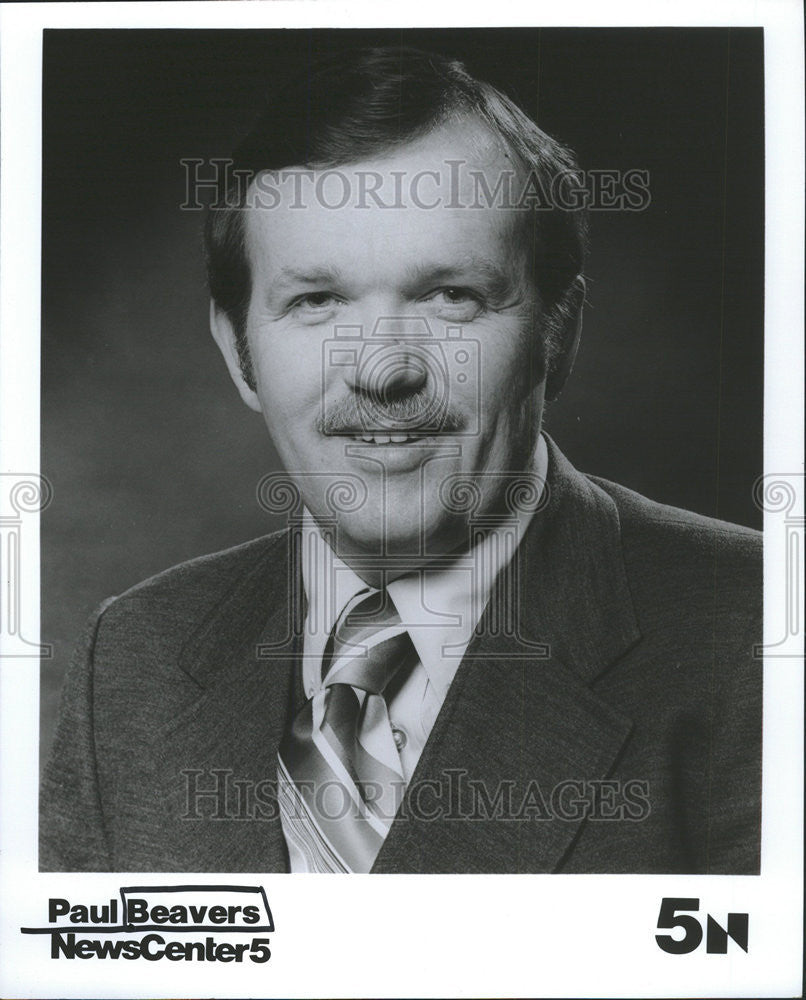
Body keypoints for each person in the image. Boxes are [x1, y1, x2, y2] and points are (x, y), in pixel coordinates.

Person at [40, 46, 761, 874]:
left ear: (557, 333)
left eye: (450, 296)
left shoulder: (754, 637)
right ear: (238, 351)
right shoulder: (135, 656)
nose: (384, 369)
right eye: (316, 301)